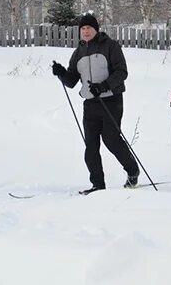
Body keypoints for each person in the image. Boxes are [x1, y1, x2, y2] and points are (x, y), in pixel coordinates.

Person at [51, 13, 139, 195]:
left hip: (111, 101)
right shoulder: (78, 53)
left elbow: (122, 72)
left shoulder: (110, 46)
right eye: (82, 29)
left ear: (96, 29)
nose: (85, 31)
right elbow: (71, 81)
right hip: (90, 104)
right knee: (91, 146)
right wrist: (61, 73)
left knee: (111, 140)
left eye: (88, 28)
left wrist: (104, 86)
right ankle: (97, 184)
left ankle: (132, 171)